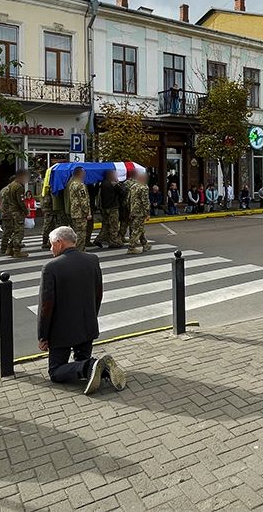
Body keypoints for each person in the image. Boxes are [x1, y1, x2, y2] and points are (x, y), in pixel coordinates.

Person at [38, 226, 127, 394]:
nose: (50, 249)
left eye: (51, 245)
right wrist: (91, 317)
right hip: (87, 327)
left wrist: (43, 336)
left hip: (61, 332)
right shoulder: (92, 259)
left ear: (59, 242)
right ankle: (101, 368)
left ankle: (91, 365)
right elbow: (98, 294)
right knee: (81, 359)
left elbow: (46, 306)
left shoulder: (51, 267)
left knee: (56, 372)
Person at [0, 171, 29, 258]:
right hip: (17, 212)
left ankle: (9, 248)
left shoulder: (10, 186)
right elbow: (21, 201)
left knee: (10, 231)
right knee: (19, 232)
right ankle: (17, 250)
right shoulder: (19, 187)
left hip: (9, 212)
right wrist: (26, 211)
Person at [66, 167, 92, 252]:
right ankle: (79, 251)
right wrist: (87, 212)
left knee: (76, 232)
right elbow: (83, 200)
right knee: (81, 233)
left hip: (74, 212)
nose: (84, 174)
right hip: (80, 213)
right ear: (80, 173)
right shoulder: (80, 185)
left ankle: (74, 250)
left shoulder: (72, 184)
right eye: (83, 172)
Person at [126, 172, 152, 254]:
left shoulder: (133, 186)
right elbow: (145, 201)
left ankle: (145, 244)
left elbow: (128, 199)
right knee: (137, 229)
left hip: (133, 211)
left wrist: (130, 211)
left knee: (139, 228)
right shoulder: (144, 187)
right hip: (140, 212)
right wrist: (147, 213)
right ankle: (131, 247)